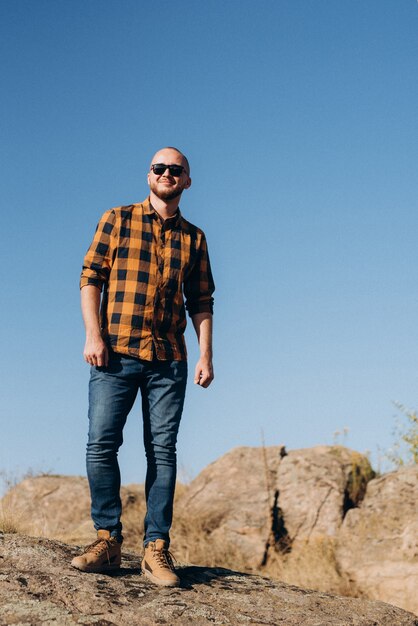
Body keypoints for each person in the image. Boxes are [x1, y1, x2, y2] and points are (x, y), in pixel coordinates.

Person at [71, 147, 215, 586]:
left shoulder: (195, 237)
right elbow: (90, 277)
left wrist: (206, 353)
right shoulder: (116, 219)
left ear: (187, 181)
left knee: (163, 451)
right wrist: (93, 335)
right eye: (160, 168)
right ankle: (108, 540)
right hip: (114, 353)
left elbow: (202, 302)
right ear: (148, 175)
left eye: (176, 170)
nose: (167, 173)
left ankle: (156, 549)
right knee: (101, 444)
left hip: (169, 360)